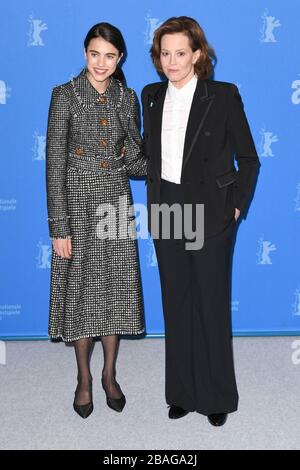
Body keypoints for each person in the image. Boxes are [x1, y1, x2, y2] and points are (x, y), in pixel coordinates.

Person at [141, 16, 260, 426]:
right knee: (177, 303)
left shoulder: (222, 95)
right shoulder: (151, 96)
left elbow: (249, 158)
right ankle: (182, 392)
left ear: (197, 54)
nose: (171, 61)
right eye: (164, 53)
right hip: (167, 208)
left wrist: (236, 206)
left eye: (180, 53)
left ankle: (217, 396)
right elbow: (149, 155)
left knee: (210, 304)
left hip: (211, 210)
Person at [46, 22, 147, 419]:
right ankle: (83, 380)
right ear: (85, 53)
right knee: (82, 296)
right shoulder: (65, 96)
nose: (101, 63)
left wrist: (171, 158)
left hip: (116, 203)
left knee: (115, 292)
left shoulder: (128, 97)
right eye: (94, 53)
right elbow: (54, 166)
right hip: (77, 204)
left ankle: (109, 375)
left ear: (120, 58)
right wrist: (60, 226)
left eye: (109, 55)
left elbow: (137, 160)